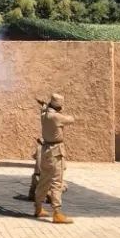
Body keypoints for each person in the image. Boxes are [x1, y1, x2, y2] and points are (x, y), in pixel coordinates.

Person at [33, 93, 76, 224]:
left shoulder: (44, 114)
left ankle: (38, 208)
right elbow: (71, 119)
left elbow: (45, 109)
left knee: (44, 181)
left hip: (45, 150)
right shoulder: (56, 117)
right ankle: (57, 213)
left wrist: (45, 105)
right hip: (55, 151)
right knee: (57, 182)